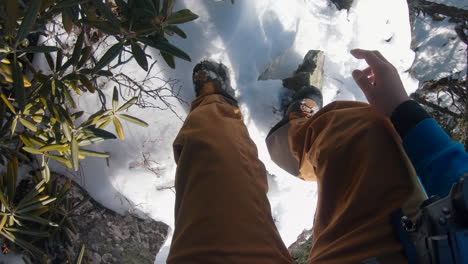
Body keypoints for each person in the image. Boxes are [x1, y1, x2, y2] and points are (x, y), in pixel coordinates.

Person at [166, 49, 468, 264]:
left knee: (209, 164)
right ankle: (292, 139)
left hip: (424, 246)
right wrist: (405, 113)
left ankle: (214, 104)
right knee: (361, 126)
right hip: (420, 238)